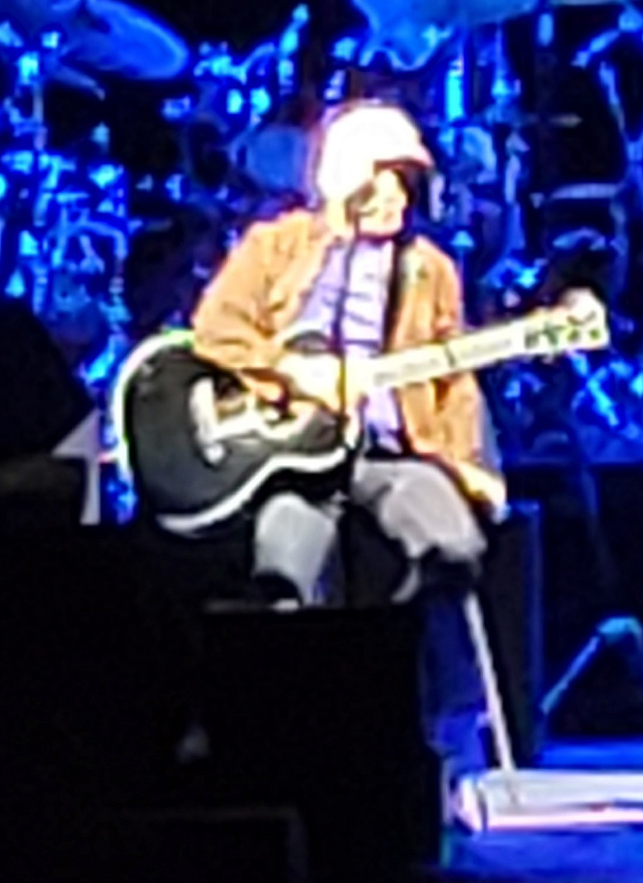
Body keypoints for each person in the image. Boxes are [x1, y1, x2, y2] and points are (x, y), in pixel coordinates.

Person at [190, 101, 504, 609]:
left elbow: (456, 384)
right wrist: (289, 370)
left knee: (452, 551)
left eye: (404, 184)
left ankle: (398, 666)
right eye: (382, 183)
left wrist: (465, 464)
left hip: (389, 454)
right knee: (282, 572)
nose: (396, 198)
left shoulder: (431, 268)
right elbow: (215, 329)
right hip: (288, 458)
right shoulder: (275, 245)